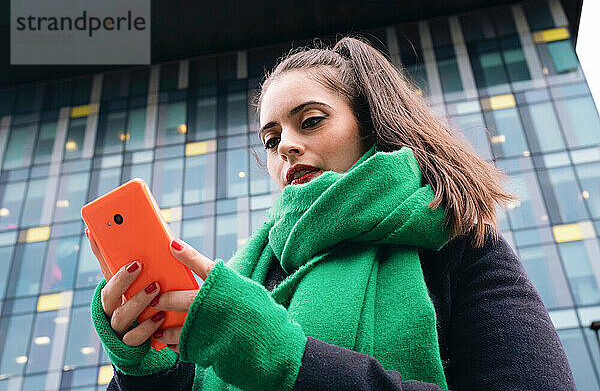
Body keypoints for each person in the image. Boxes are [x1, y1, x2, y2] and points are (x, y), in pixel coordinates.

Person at [88, 36, 577, 390]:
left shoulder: (457, 244)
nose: (287, 148)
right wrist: (143, 370)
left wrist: (282, 358)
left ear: (371, 125)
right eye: (272, 139)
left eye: (312, 121)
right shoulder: (243, 278)